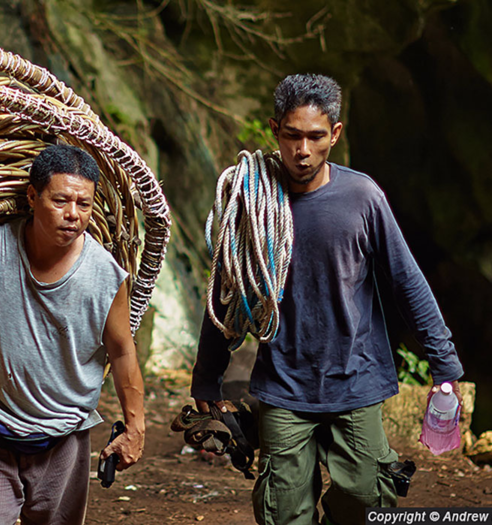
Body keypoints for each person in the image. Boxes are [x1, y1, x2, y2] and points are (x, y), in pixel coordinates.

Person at [190, 73, 464, 525]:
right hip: (284, 385)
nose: (302, 150)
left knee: (366, 497)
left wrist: (445, 362)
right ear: (275, 128)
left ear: (335, 134)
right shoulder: (253, 202)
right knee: (282, 510)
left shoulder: (361, 197)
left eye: (316, 137)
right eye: (293, 135)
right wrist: (207, 377)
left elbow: (406, 281)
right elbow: (228, 289)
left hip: (355, 380)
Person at [0, 144, 145, 525]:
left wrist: (135, 427)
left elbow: (122, 351)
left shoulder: (105, 276)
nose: (73, 215)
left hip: (63, 438)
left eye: (84, 204)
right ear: (32, 196)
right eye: (60, 200)